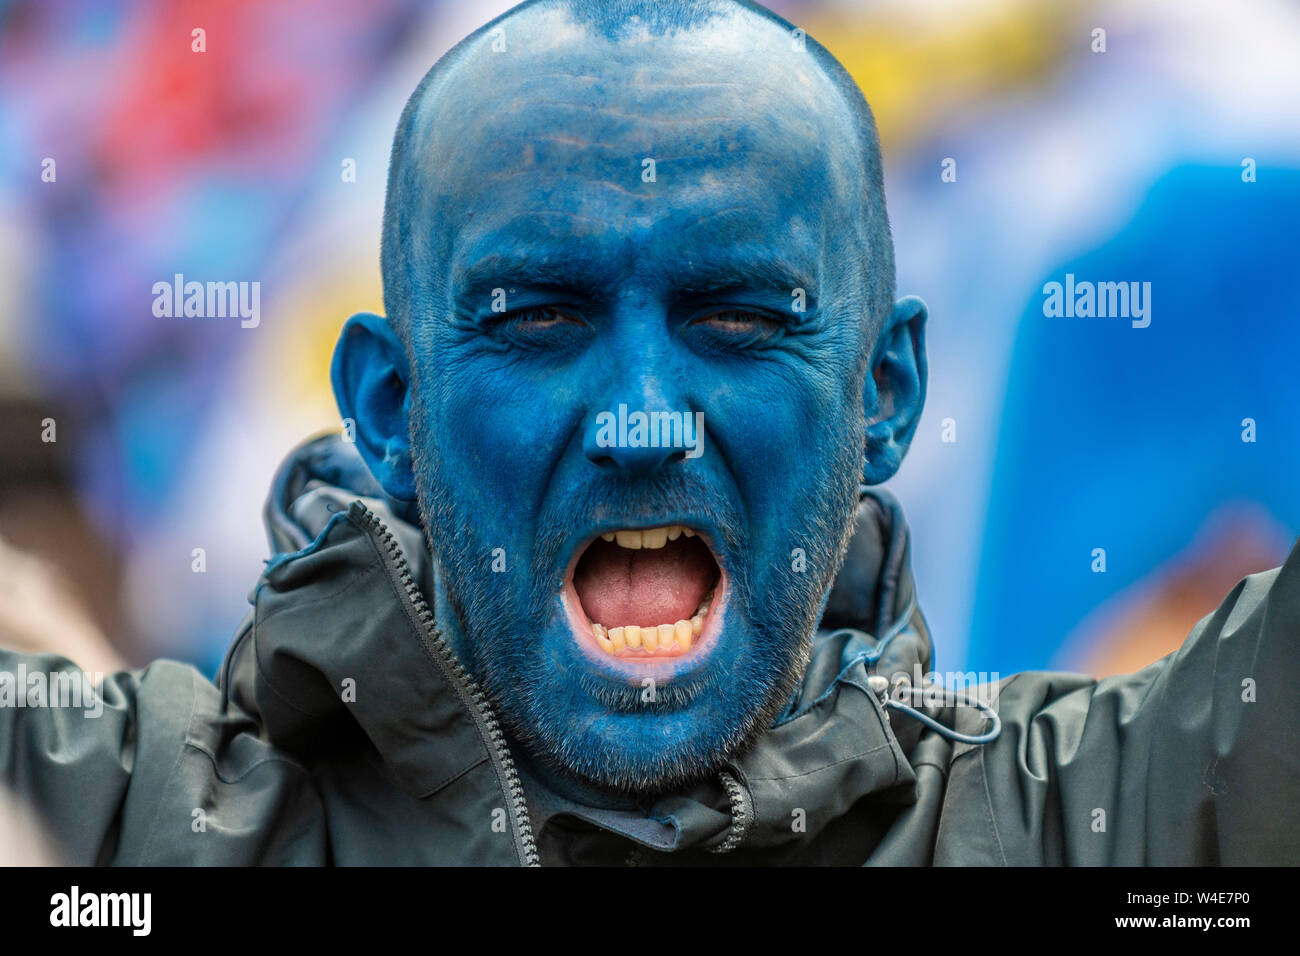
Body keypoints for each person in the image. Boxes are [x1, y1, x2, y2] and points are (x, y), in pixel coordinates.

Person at [0, 0, 1295, 865]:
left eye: (737, 317)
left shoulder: (1083, 815)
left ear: (884, 395)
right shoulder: (124, 814)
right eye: (539, 318)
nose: (638, 420)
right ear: (390, 411)